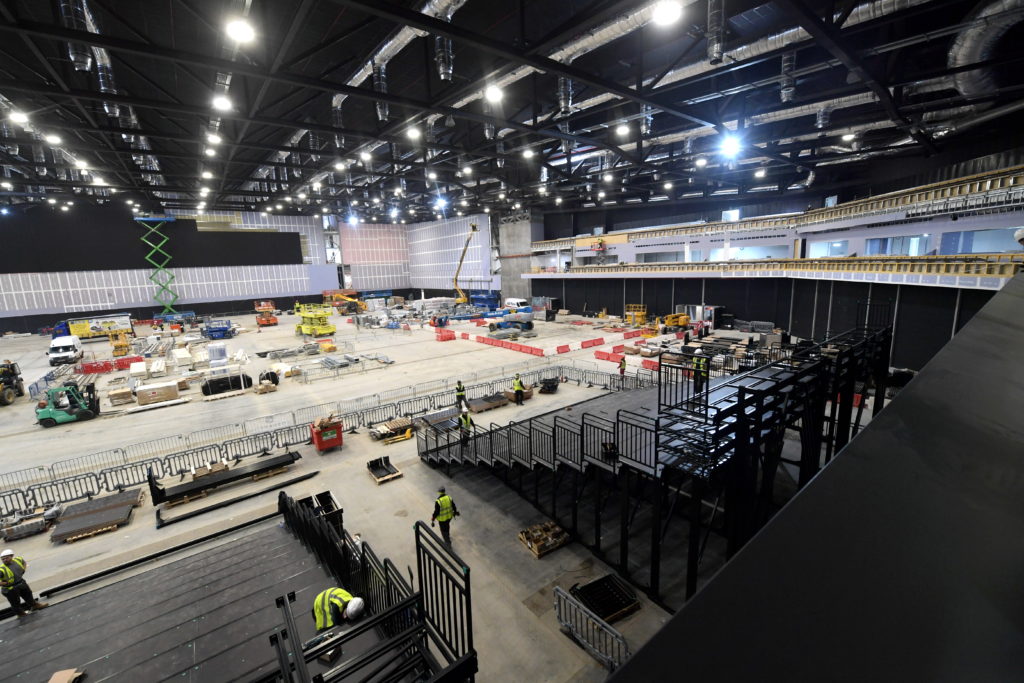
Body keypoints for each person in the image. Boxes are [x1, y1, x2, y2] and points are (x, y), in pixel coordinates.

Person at [0, 550, 48, 617]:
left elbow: (23, 561)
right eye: (3, 559)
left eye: (6, 558)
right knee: (15, 602)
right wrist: (4, 583)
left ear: (12, 556)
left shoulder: (17, 560)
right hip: (10, 588)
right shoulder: (2, 569)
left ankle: (34, 606)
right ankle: (20, 614)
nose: (5, 560)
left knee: (28, 595)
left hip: (21, 583)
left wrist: (24, 569)